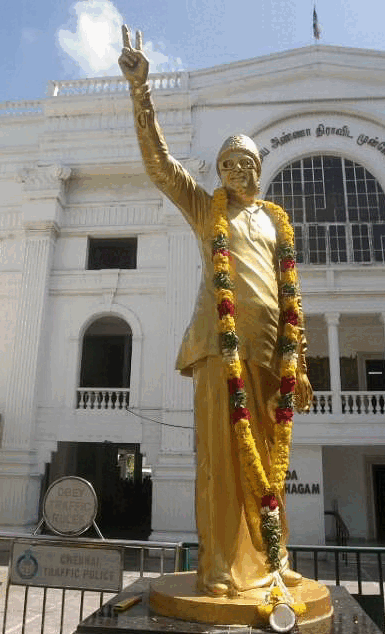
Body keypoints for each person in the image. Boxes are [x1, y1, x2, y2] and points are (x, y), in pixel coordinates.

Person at [119, 27, 312, 597]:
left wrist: (296, 360)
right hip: (217, 348)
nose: (231, 170)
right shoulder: (207, 211)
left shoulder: (277, 223)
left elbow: (291, 294)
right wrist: (140, 91)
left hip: (270, 352)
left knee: (270, 462)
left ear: (257, 168)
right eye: (224, 163)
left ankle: (272, 560)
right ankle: (220, 567)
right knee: (221, 463)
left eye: (240, 162)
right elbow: (161, 166)